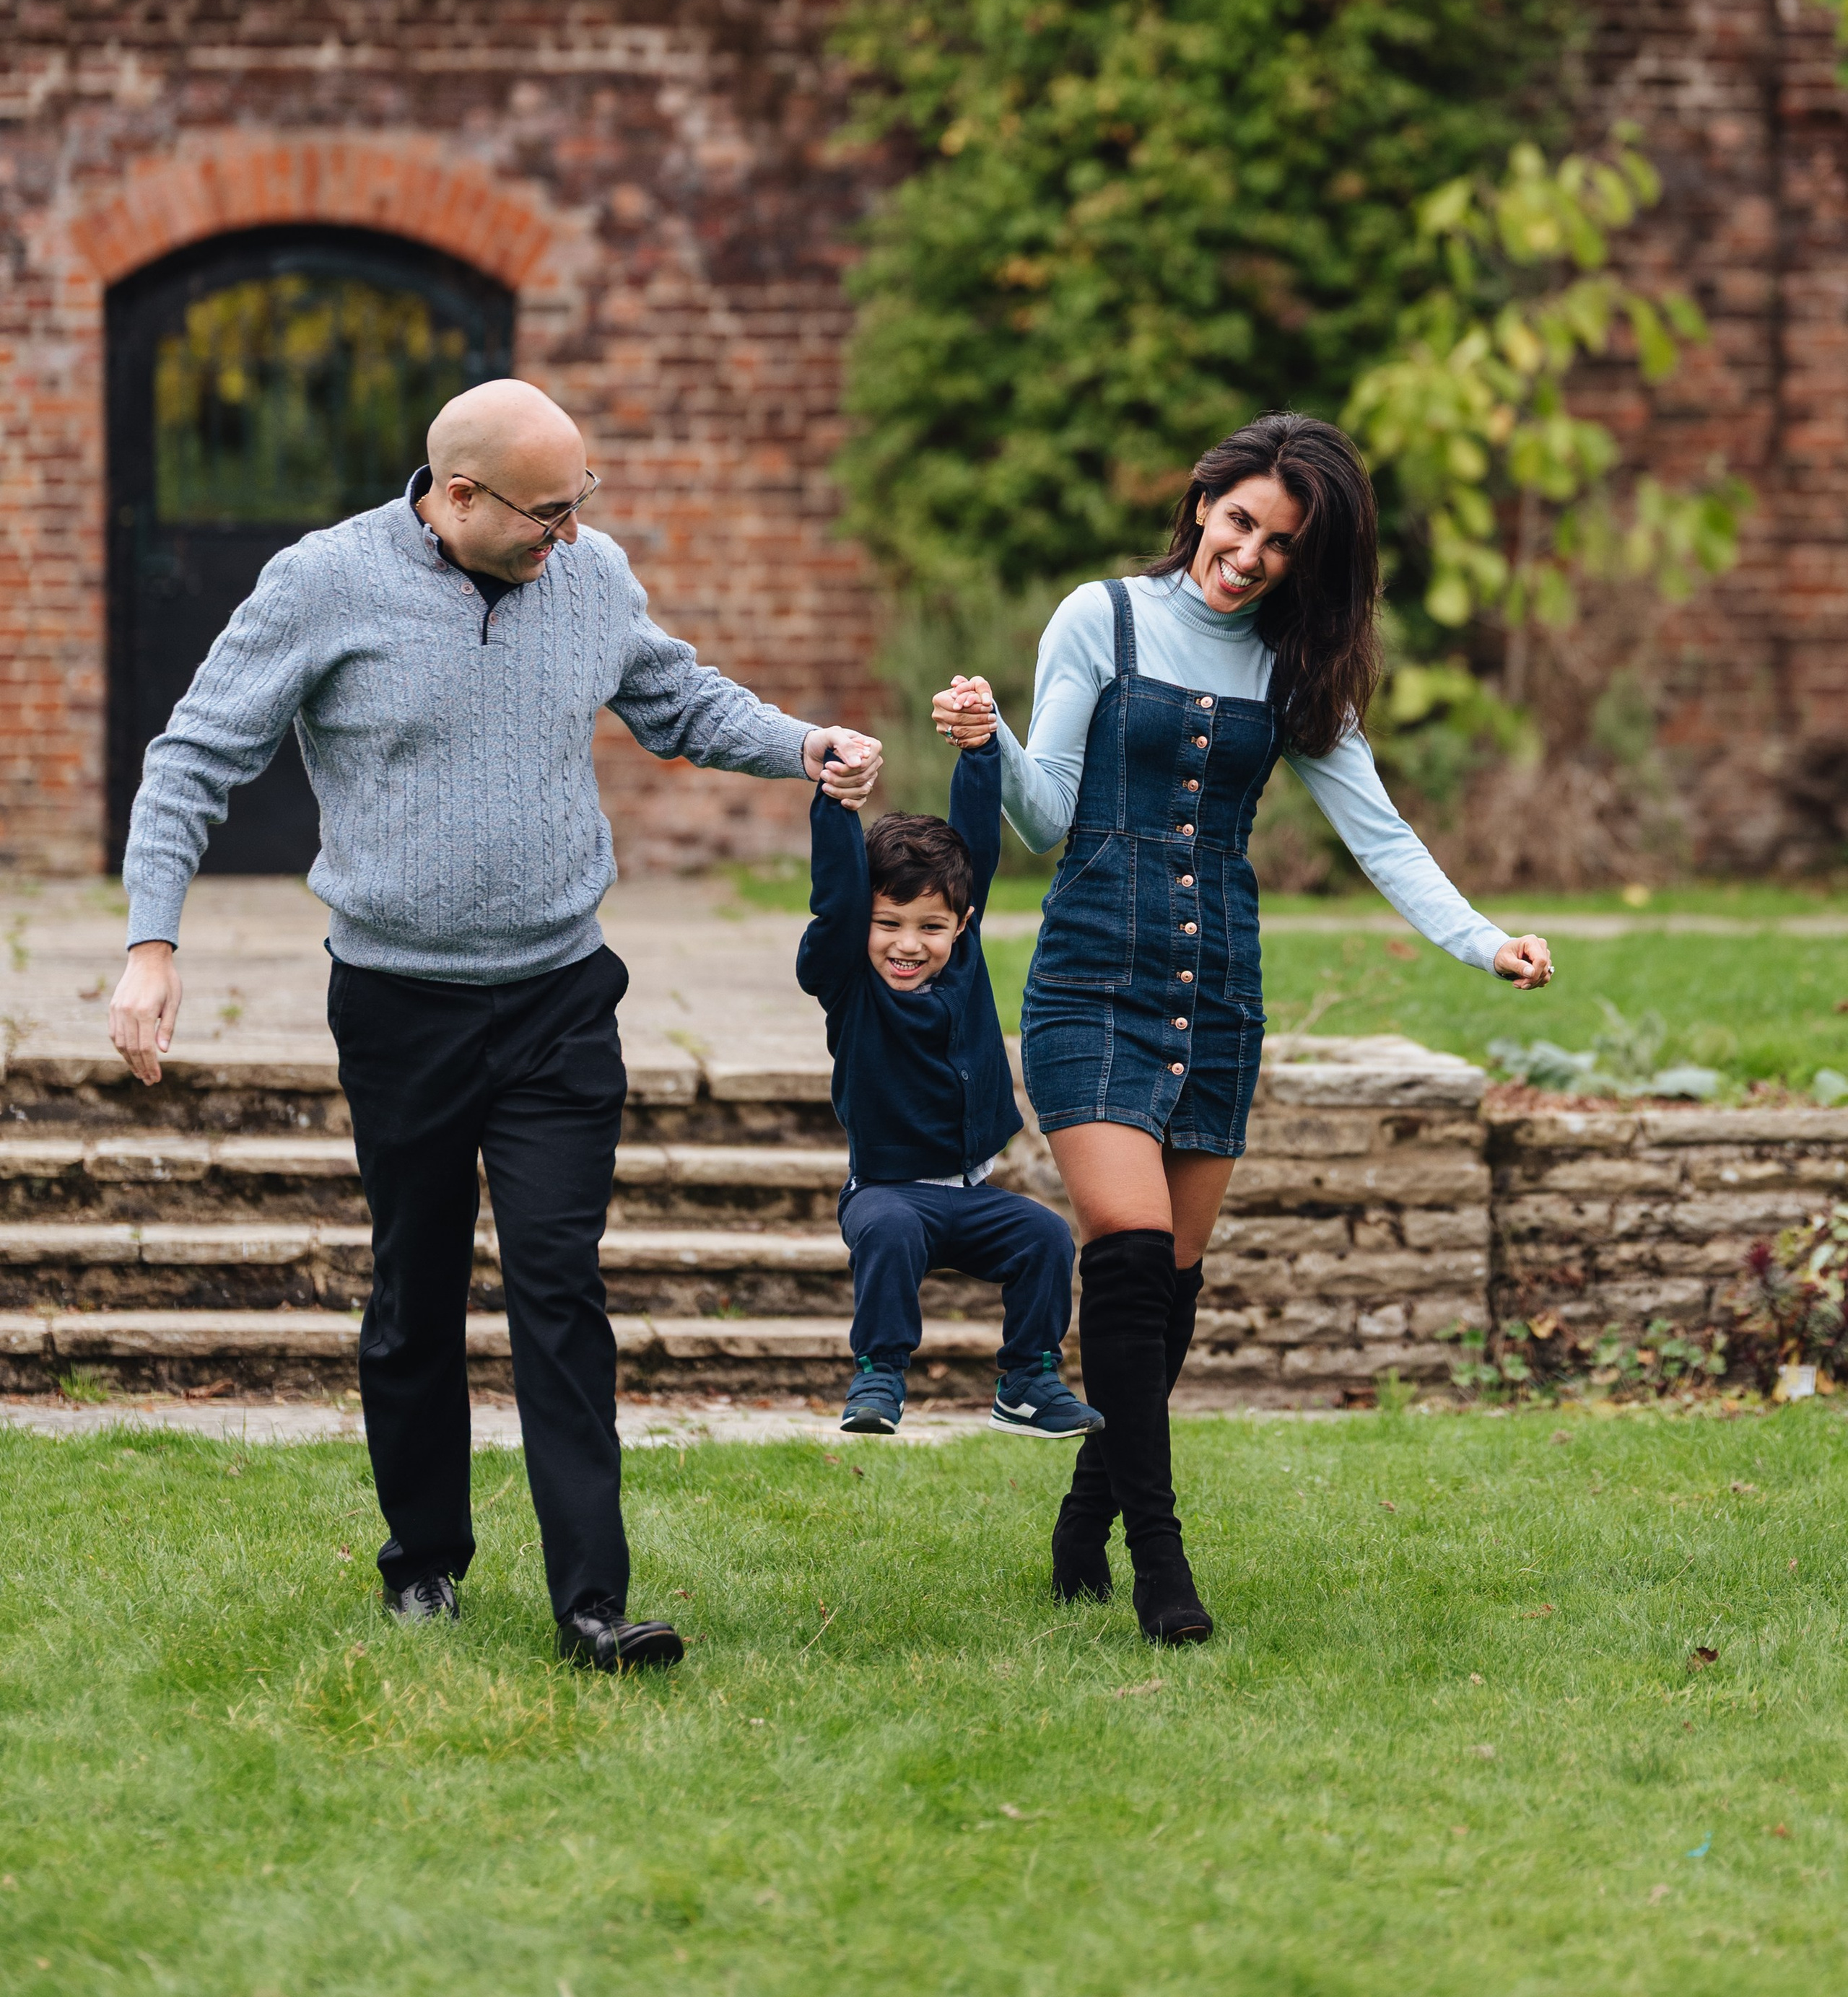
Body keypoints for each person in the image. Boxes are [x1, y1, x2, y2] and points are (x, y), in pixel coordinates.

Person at [108, 378, 883, 1674]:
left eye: (584, 503)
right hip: (400, 1005)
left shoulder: (588, 573)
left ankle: (593, 1604)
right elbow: (194, 758)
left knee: (559, 1286)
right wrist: (150, 944)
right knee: (415, 1293)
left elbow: (675, 698)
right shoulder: (322, 584)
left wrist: (802, 744)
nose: (570, 533)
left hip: (559, 998)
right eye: (546, 510)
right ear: (456, 496)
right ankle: (424, 1567)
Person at [933, 414, 1553, 1648]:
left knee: (1168, 1286)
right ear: (1204, 503)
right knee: (1126, 1241)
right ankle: (1160, 1563)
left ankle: (1086, 1509)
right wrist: (986, 736)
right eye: (1239, 522)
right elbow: (1046, 814)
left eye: (1282, 543)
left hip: (1217, 987)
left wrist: (1483, 939)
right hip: (1092, 978)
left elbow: (1378, 832)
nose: (1250, 554)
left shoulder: (1293, 668)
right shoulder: (1099, 618)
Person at [796, 724, 1103, 1443]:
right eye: (889, 923)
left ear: (962, 924)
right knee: (894, 1227)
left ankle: (1027, 1380)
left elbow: (977, 844)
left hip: (969, 1199)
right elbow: (838, 899)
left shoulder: (960, 960)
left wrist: (980, 750)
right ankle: (879, 1371)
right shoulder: (850, 982)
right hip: (884, 1193)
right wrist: (836, 801)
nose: (908, 943)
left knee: (1044, 1235)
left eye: (930, 925)